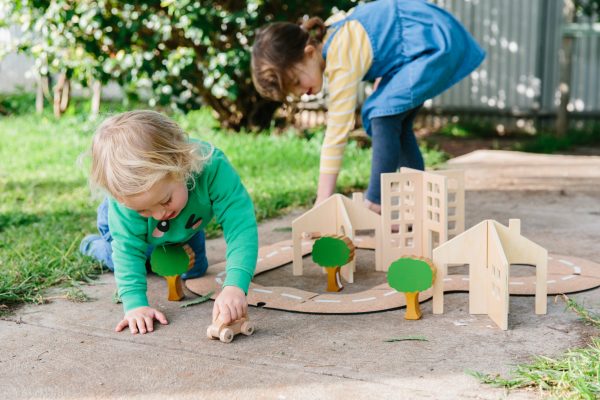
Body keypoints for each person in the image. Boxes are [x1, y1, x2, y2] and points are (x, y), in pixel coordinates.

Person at [251, 0, 485, 212]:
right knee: (391, 120)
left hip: (431, 42)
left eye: (296, 82)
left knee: (381, 116)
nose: (300, 92)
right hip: (421, 42)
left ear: (309, 52)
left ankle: (375, 202)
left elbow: (336, 134)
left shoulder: (339, 59)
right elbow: (379, 38)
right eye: (292, 92)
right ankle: (418, 204)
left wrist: (323, 198)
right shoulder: (333, 33)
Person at [80, 110, 258, 335]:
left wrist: (235, 286)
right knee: (138, 259)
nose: (158, 215)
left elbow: (240, 226)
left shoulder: (213, 167)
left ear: (181, 165)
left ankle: (167, 243)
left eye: (165, 200)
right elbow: (127, 250)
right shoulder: (127, 205)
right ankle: (93, 246)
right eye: (144, 210)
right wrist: (135, 305)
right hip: (129, 231)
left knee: (195, 270)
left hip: (184, 224)